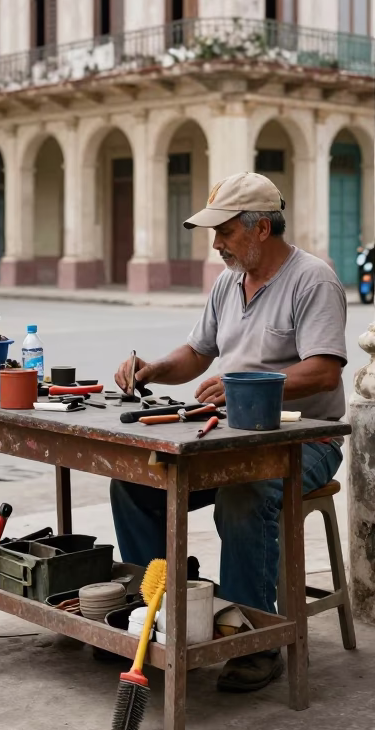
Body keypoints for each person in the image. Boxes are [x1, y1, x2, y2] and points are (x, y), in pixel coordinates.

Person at [110, 171, 347, 693]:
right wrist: (151, 369)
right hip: (231, 434)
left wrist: (249, 385)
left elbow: (326, 370)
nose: (216, 244)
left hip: (306, 441)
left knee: (244, 496)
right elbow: (196, 354)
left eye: (225, 232)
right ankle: (168, 606)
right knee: (134, 481)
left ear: (261, 228)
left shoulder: (314, 280)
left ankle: (257, 642)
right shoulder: (227, 283)